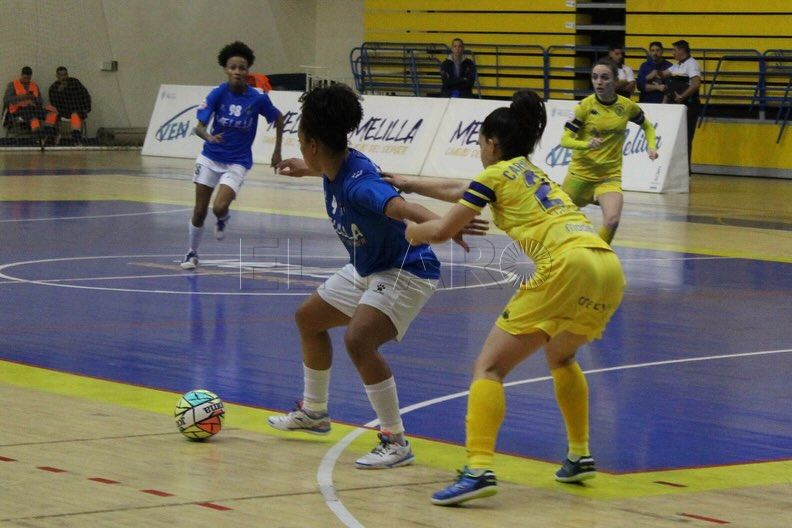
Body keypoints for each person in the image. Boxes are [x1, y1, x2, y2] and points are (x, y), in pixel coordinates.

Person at [383, 89, 625, 506]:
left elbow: (440, 230)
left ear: (492, 144)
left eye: (479, 144)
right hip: (605, 265)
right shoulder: (533, 172)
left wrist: (411, 229)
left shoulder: (494, 175)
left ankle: (477, 468)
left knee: (489, 367)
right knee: (562, 357)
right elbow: (464, 188)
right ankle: (580, 454)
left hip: (562, 265)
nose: (480, 151)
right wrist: (410, 183)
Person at [268, 83, 486, 469]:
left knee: (359, 340)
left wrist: (448, 225)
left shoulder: (358, 187)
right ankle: (315, 412)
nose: (301, 149)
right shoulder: (336, 161)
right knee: (309, 319)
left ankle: (395, 440)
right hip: (368, 266)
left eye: (302, 143)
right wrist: (306, 169)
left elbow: (403, 207)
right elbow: (326, 165)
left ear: (313, 143)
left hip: (406, 269)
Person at [180, 41, 284, 270]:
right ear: (226, 69)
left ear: (248, 71)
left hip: (237, 161)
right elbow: (199, 127)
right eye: (233, 67)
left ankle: (222, 217)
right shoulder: (218, 93)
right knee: (199, 210)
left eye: (242, 68)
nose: (237, 71)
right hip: (210, 157)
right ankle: (191, 253)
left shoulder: (257, 98)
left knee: (218, 207)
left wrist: (277, 151)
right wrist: (209, 137)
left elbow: (279, 118)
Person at [560, 58, 658, 245]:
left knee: (612, 220)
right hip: (580, 176)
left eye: (605, 78)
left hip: (609, 176)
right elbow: (564, 140)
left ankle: (598, 255)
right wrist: (586, 145)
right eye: (595, 77)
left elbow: (647, 126)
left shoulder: (626, 106)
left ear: (615, 80)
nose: (599, 82)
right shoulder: (584, 107)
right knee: (559, 222)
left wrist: (651, 146)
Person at [659, 39, 701, 165]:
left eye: (674, 50)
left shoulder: (692, 64)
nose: (673, 53)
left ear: (682, 50)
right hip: (676, 106)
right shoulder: (677, 65)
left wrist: (682, 96)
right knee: (675, 138)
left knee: (686, 138)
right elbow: (664, 74)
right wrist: (657, 67)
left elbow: (695, 84)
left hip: (688, 105)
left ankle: (686, 170)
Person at [3, 66, 57, 141]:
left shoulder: (34, 86)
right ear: (21, 75)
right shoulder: (13, 85)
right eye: (25, 78)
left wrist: (34, 99)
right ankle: (37, 136)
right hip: (18, 111)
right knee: (32, 116)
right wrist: (23, 97)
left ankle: (48, 133)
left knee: (51, 112)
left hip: (33, 109)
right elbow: (6, 100)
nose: (26, 81)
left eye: (28, 79)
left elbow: (40, 101)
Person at [48, 67, 92, 144]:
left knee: (75, 115)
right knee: (50, 113)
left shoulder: (75, 82)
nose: (64, 77)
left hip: (77, 110)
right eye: (61, 75)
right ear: (57, 76)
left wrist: (87, 108)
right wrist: (59, 92)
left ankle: (76, 138)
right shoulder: (53, 88)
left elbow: (86, 95)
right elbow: (54, 104)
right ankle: (49, 137)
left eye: (65, 75)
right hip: (63, 111)